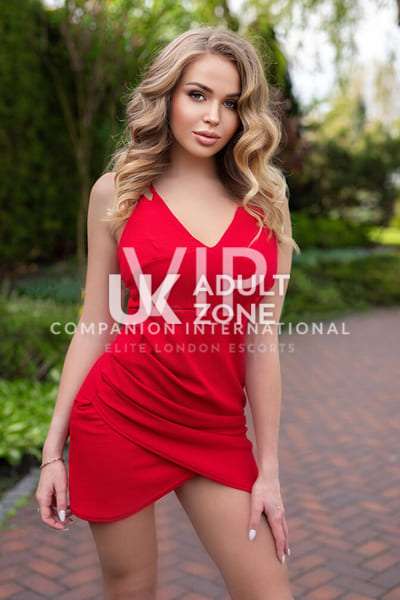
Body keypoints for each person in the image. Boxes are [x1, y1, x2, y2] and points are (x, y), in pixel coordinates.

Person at [35, 25, 299, 600]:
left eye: (231, 103)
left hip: (216, 430)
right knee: (130, 587)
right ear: (167, 95)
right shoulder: (118, 192)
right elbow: (95, 324)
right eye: (197, 94)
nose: (213, 117)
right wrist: (52, 452)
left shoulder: (266, 205)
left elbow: (262, 343)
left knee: (268, 591)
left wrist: (269, 470)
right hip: (119, 416)